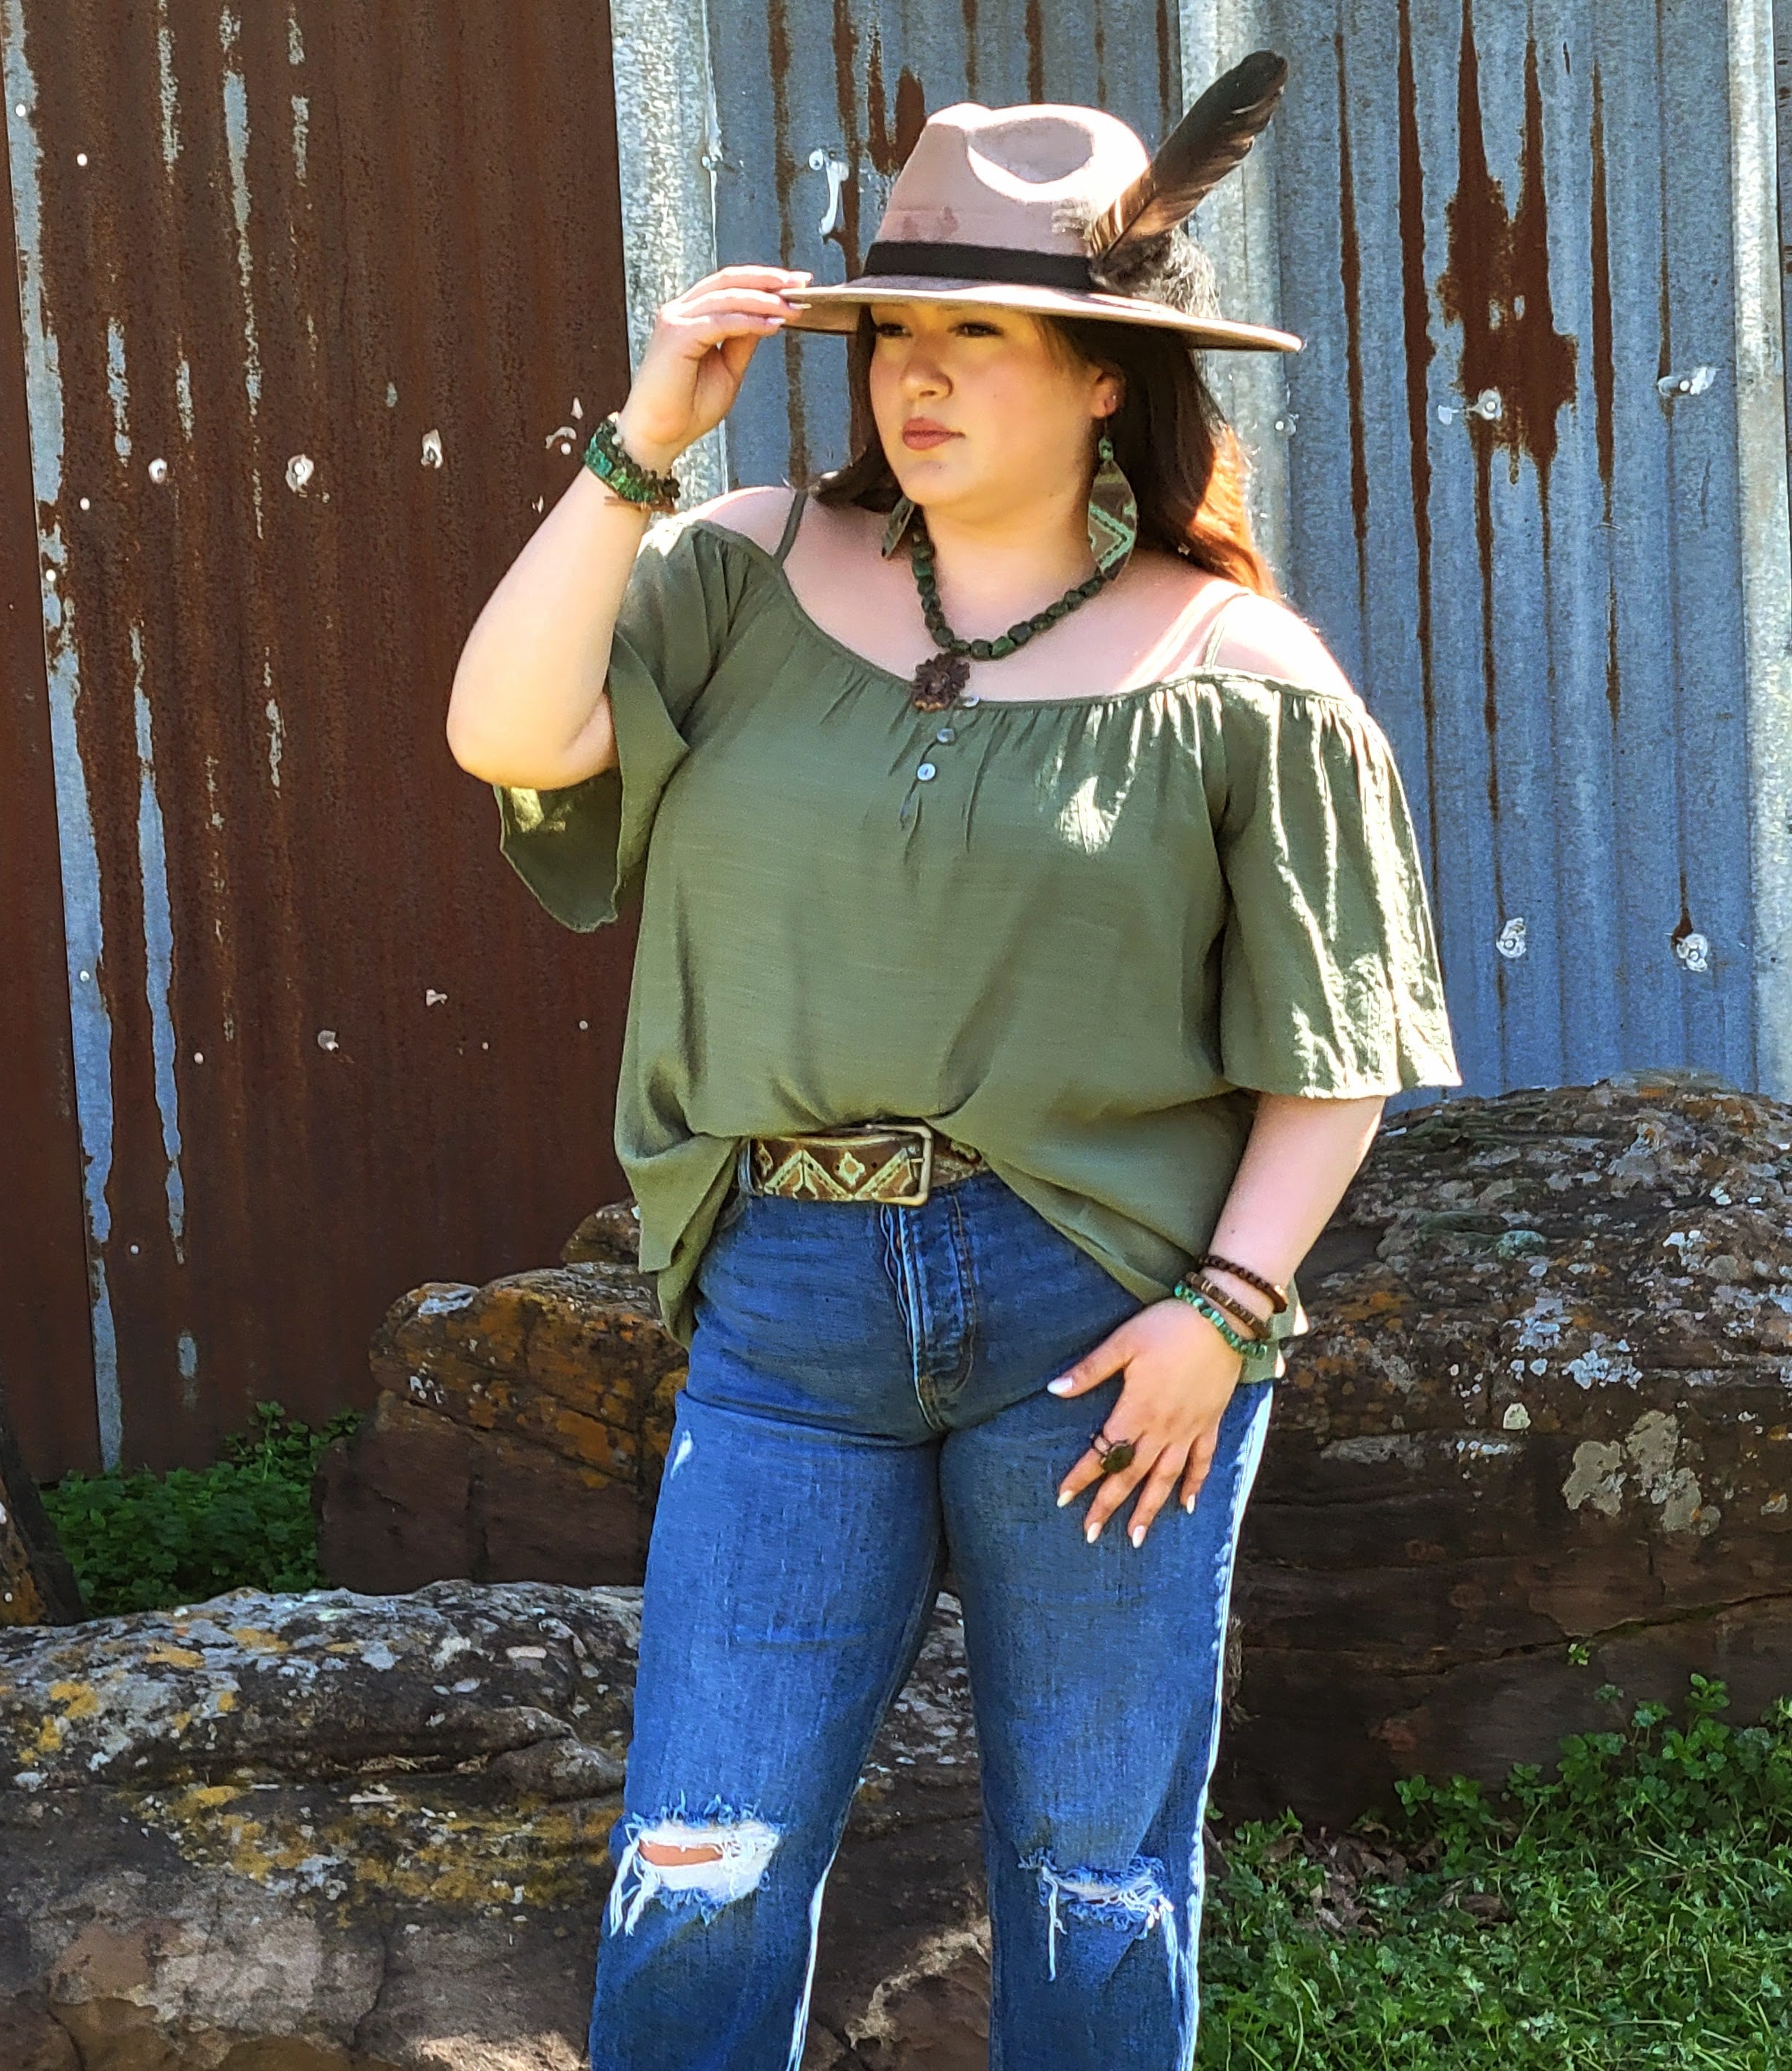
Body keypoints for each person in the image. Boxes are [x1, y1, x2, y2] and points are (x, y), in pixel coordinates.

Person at [447, 58, 1459, 2071]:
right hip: (790, 1310)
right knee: (702, 1855)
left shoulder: (1239, 676)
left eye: (977, 334)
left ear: (1106, 376)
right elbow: (506, 730)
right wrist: (641, 444)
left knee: (1096, 1873)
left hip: (1100, 1328)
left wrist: (1227, 1316)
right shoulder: (734, 571)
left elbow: (1331, 1055)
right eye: (895, 329)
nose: (916, 375)